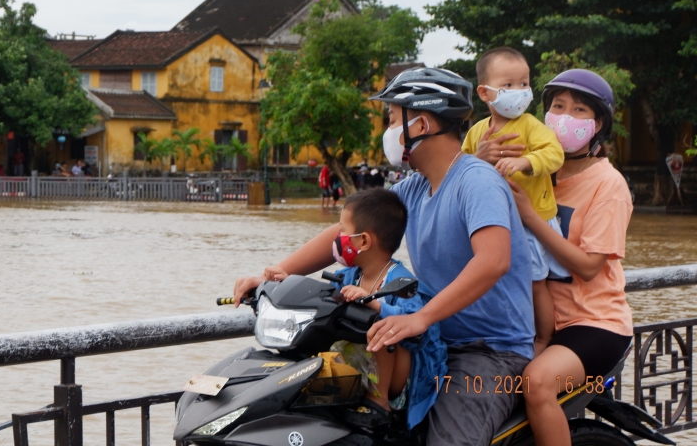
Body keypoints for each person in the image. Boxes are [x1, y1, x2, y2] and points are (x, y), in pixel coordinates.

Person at [235, 68, 534, 445]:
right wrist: (276, 273)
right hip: (433, 339)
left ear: (421, 124)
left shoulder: (476, 181)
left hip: (487, 352)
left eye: (393, 119)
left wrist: (420, 318)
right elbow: (349, 232)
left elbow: (493, 261)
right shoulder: (415, 187)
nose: (388, 131)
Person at [502, 69, 633, 446]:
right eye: (558, 106)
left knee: (537, 383)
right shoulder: (533, 169)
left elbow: (591, 266)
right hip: (532, 318)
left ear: (598, 126)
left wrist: (530, 216)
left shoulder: (608, 184)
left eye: (579, 110)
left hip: (594, 323)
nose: (565, 116)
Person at [463, 47, 566, 354]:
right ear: (485, 92)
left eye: (524, 83)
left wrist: (526, 162)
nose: (519, 92)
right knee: (499, 281)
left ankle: (543, 340)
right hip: (498, 222)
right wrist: (479, 157)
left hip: (533, 221)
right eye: (508, 85)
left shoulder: (531, 125)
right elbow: (459, 169)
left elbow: (554, 154)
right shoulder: (478, 132)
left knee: (536, 284)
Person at [329, 189, 446, 429]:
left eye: (342, 230)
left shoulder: (402, 283)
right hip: (362, 369)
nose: (337, 236)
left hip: (399, 384)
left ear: (363, 240)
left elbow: (415, 325)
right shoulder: (349, 276)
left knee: (382, 323)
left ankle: (379, 402)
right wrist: (286, 279)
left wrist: (374, 303)